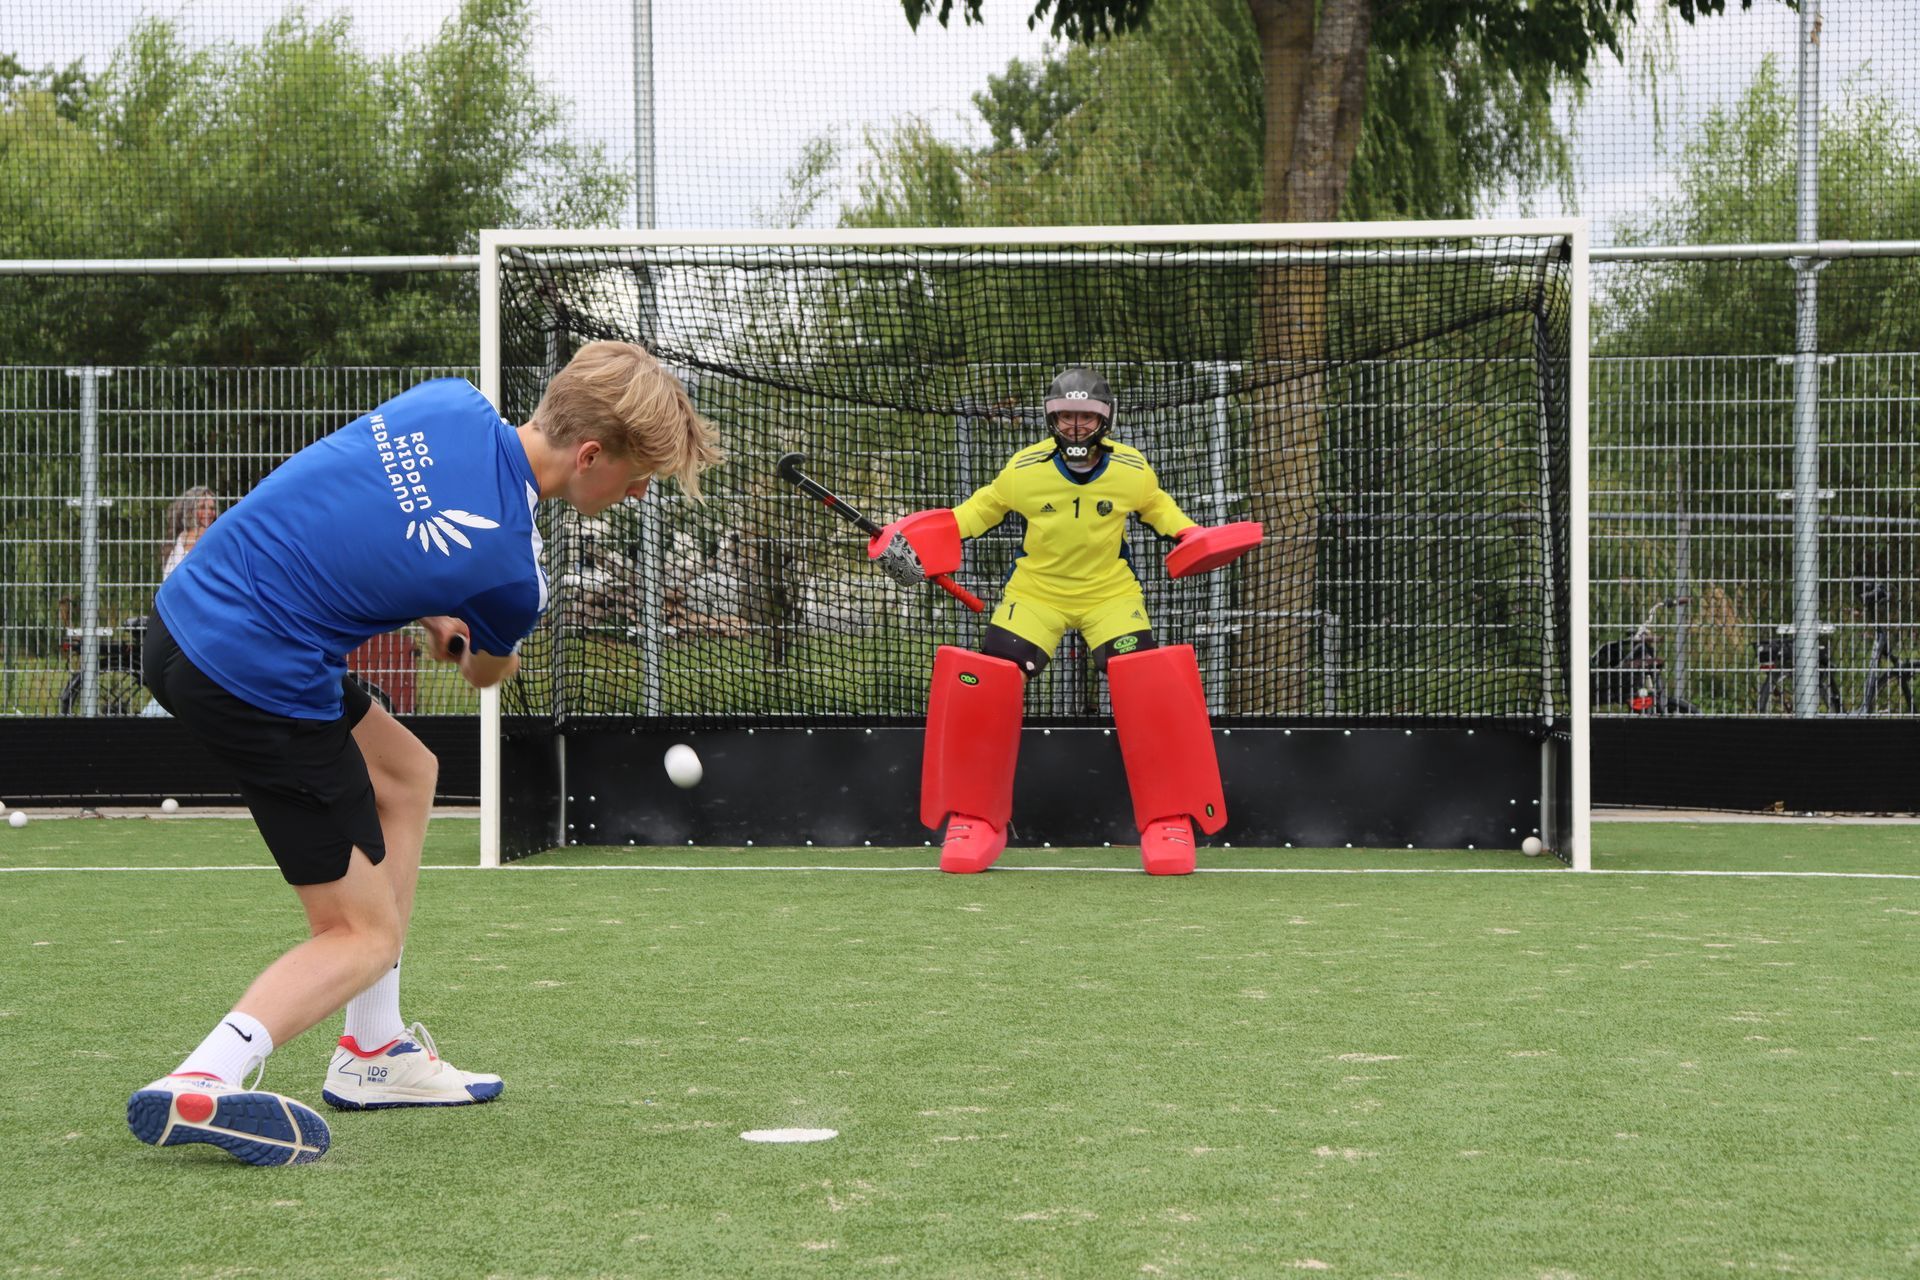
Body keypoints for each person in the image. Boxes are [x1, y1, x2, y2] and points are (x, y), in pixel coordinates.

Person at [130, 341, 721, 1166]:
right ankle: (203, 1078)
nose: (638, 492)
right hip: (253, 671)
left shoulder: (447, 403)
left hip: (185, 616)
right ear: (590, 456)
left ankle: (376, 1054)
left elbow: (364, 519)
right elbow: (485, 670)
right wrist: (489, 634)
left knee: (408, 772)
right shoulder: (512, 570)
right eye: (638, 474)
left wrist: (440, 603)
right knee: (360, 934)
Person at [869, 368, 1258, 877]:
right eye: (1065, 416)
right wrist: (910, 539)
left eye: (1086, 417)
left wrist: (1192, 536)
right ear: (1051, 419)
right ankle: (975, 820)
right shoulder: (1023, 469)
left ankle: (1169, 821)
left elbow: (1161, 511)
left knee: (1148, 685)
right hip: (1036, 595)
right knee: (986, 684)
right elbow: (974, 513)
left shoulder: (1131, 469)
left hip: (1109, 594)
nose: (1076, 426)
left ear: (1106, 419)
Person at [140, 487, 221, 717]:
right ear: (190, 510)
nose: (208, 512)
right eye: (203, 507)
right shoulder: (181, 539)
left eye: (212, 508)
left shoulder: (210, 537)